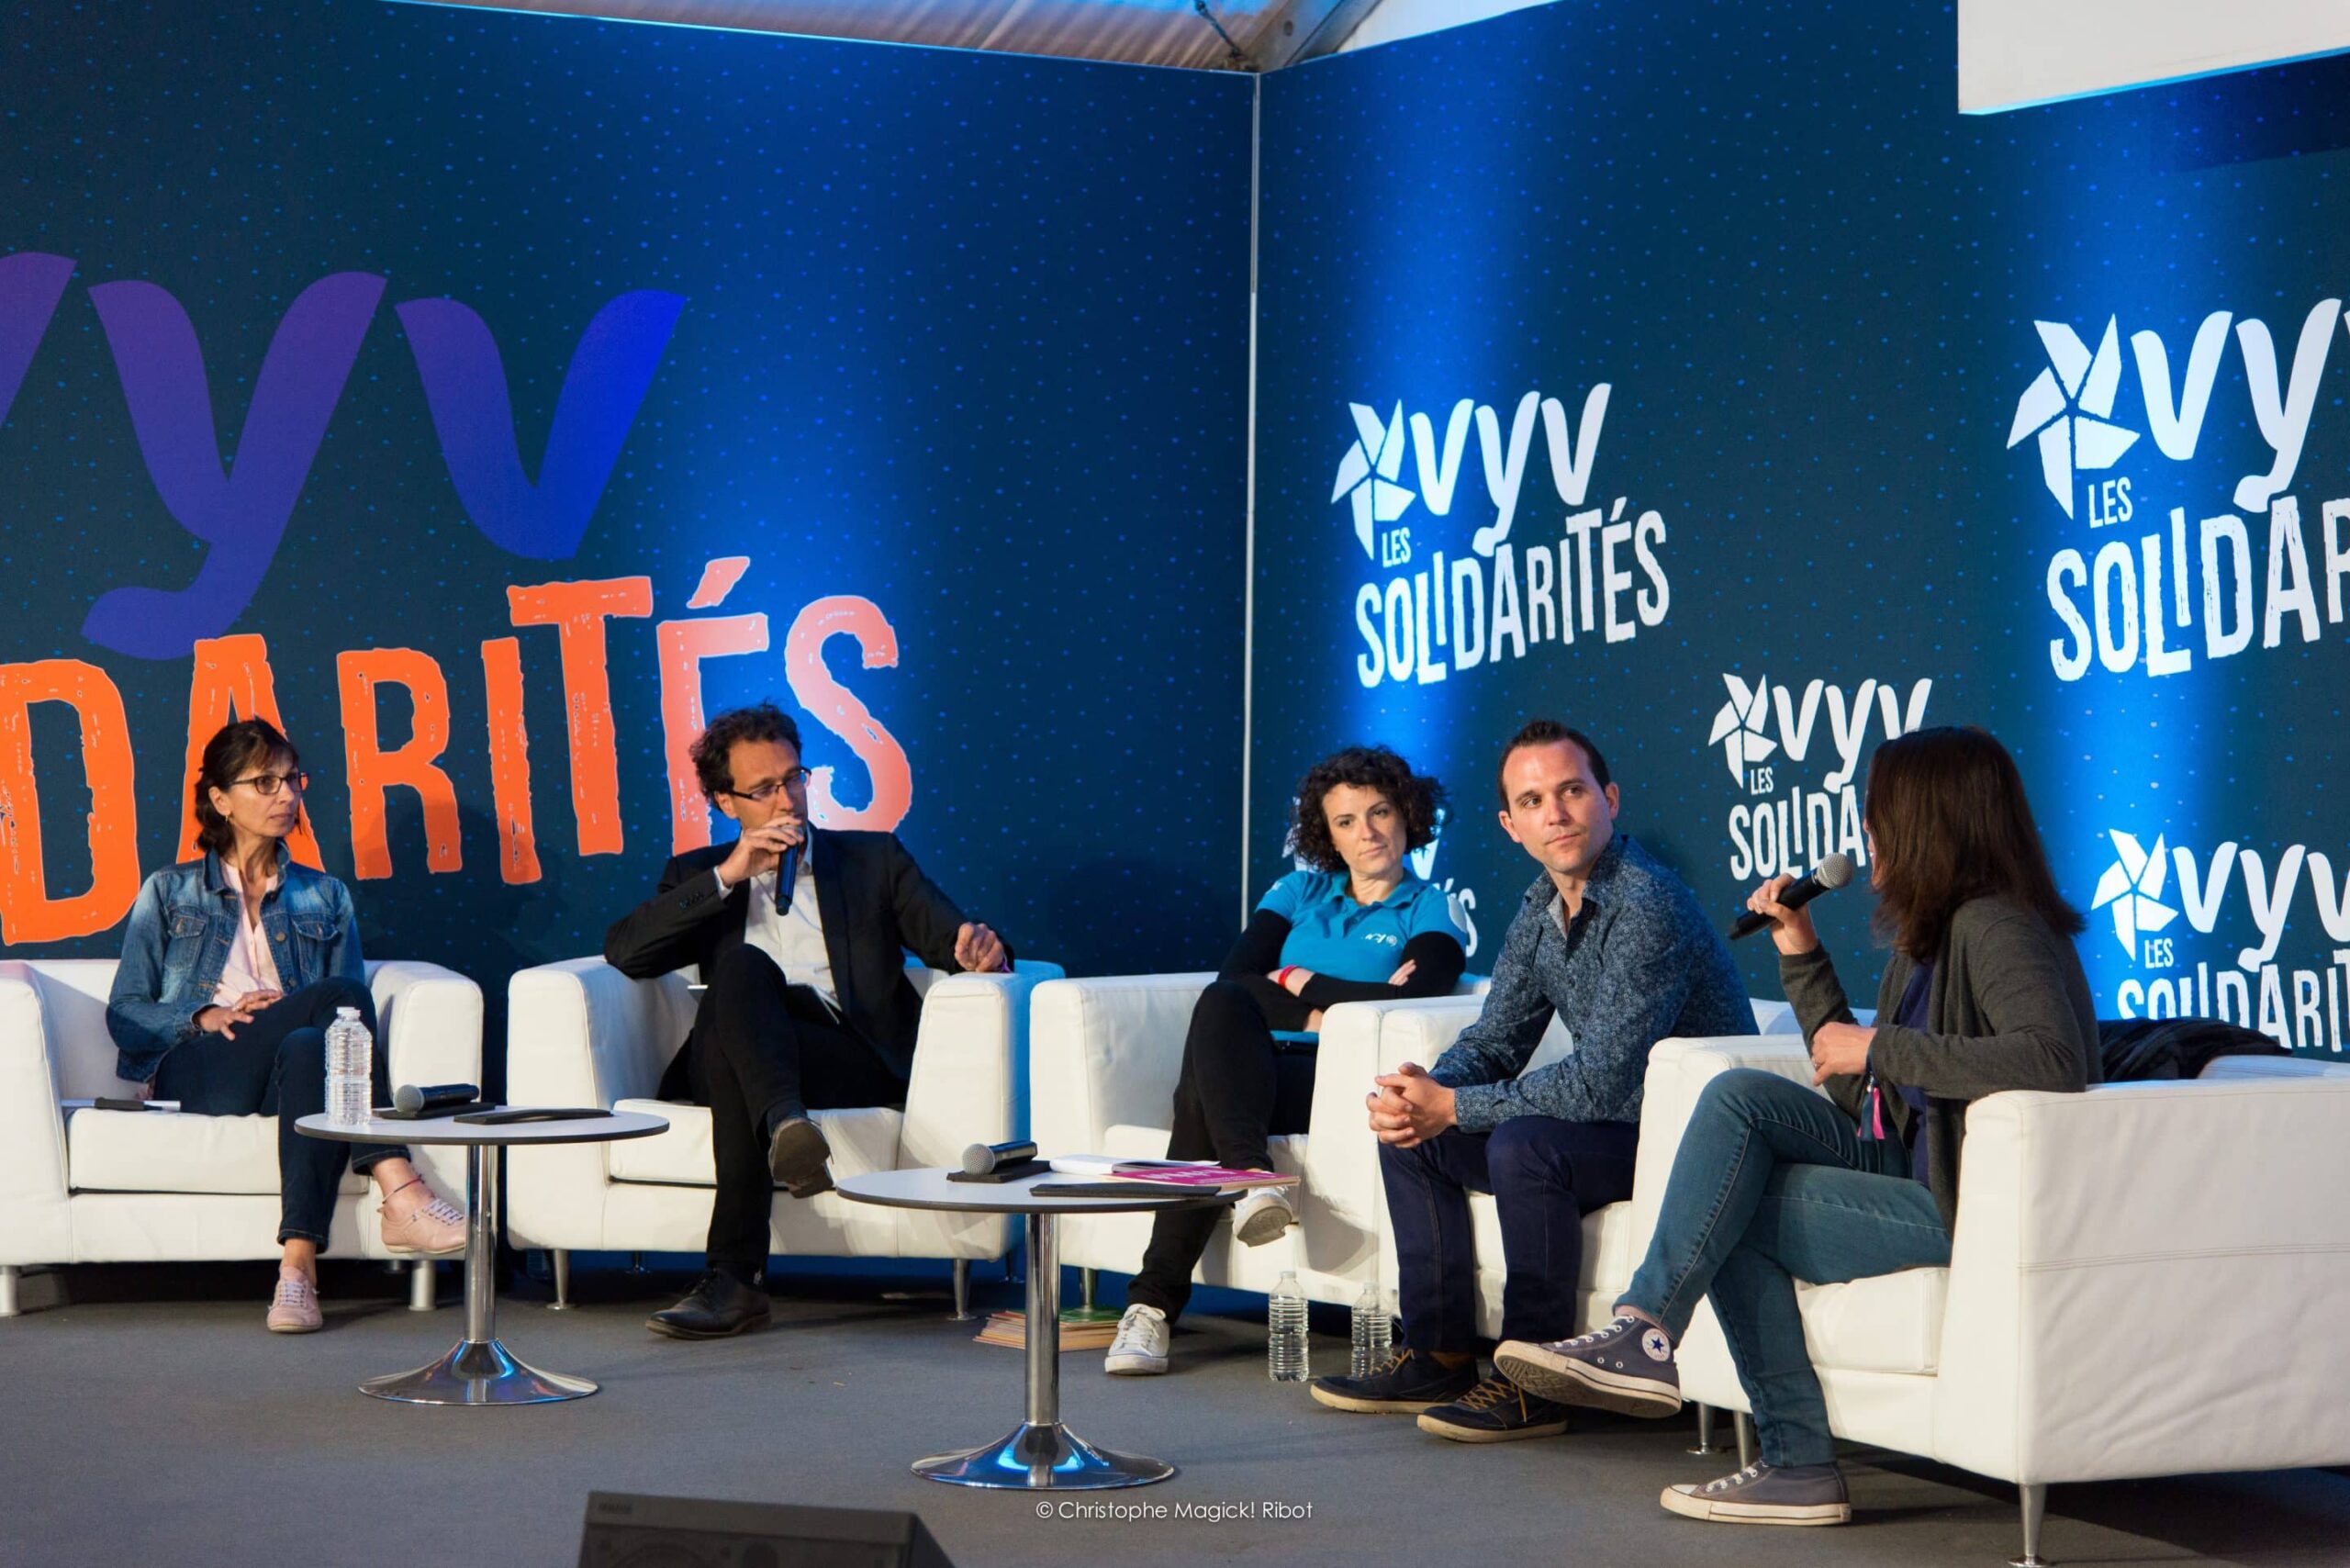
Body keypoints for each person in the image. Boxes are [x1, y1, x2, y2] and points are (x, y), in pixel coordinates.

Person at [1494, 725, 2097, 1526]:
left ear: (1930, 818)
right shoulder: (1931, 933)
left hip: (1961, 1204)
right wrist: (1800, 950)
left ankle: (1791, 1456)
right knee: (1739, 1096)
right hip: (1904, 1159)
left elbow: (2053, 1058)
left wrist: (1879, 1045)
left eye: (1879, 812)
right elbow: (1859, 1089)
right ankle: (1647, 1335)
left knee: (1733, 1211)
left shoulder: (1997, 924)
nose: (1868, 832)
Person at [1308, 719, 1747, 1442]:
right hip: (1608, 1127)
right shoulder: (1540, 909)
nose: (1557, 813)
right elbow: (1497, 1038)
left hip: (1681, 1141)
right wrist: (1426, 1094)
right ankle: (1439, 1355)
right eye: (1534, 801)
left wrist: (1456, 1105)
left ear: (1608, 799)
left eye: (1572, 791)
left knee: (1524, 1145)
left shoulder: (1648, 904)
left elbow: (1603, 1081)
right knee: (1416, 1136)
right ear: (1512, 826)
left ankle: (1535, 1381)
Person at [605, 701, 1013, 1340]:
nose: (787, 800)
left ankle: (735, 1280)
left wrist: (981, 950)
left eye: (794, 778)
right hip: (742, 1049)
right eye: (763, 789)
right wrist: (731, 874)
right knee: (742, 971)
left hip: (840, 1056)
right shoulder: (699, 874)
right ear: (725, 801)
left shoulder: (871, 860)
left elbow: (952, 938)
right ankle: (787, 1126)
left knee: (738, 1037)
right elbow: (626, 951)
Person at [1104, 745, 1468, 1377]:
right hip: (1252, 1069)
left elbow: (1420, 996)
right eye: (1346, 821)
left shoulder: (1429, 906)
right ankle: (1251, 1178)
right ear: (1328, 835)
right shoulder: (1300, 890)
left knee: (1203, 1095)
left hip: (1338, 1081)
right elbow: (1236, 979)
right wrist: (1328, 1006)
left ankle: (1152, 1306)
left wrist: (1298, 982)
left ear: (1407, 815)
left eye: (1380, 812)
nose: (1367, 832)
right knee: (1219, 1012)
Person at [106, 719, 465, 1334]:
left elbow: (348, 1035)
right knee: (340, 999)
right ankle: (399, 1185)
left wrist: (282, 1011)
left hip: (285, 1069)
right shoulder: (168, 892)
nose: (286, 795)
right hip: (199, 1065)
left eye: (292, 779)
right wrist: (206, 1014)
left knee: (309, 1043)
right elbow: (125, 1012)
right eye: (264, 782)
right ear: (220, 799)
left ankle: (297, 1272)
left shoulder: (325, 897)